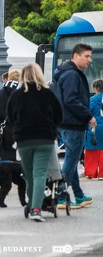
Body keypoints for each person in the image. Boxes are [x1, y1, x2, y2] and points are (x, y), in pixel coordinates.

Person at [7, 63, 63, 222]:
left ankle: (32, 204)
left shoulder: (16, 95)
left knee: (29, 175)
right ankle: (36, 209)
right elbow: (59, 116)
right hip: (44, 139)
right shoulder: (47, 93)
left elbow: (10, 118)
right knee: (40, 174)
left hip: (23, 140)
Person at [53, 43, 95, 209]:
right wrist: (88, 115)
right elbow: (71, 100)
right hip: (73, 123)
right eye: (87, 56)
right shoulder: (72, 74)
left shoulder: (64, 72)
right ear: (76, 55)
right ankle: (61, 195)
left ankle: (78, 195)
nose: (89, 60)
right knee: (71, 161)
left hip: (65, 122)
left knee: (73, 158)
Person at [0, 69, 20, 161]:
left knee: (5, 157)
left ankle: (5, 175)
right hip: (19, 129)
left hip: (4, 130)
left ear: (9, 78)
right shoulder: (23, 93)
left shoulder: (0, 93)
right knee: (20, 157)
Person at [84, 79, 103, 179]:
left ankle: (92, 173)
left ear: (95, 88)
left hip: (94, 127)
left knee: (93, 149)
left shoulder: (92, 100)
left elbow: (87, 114)